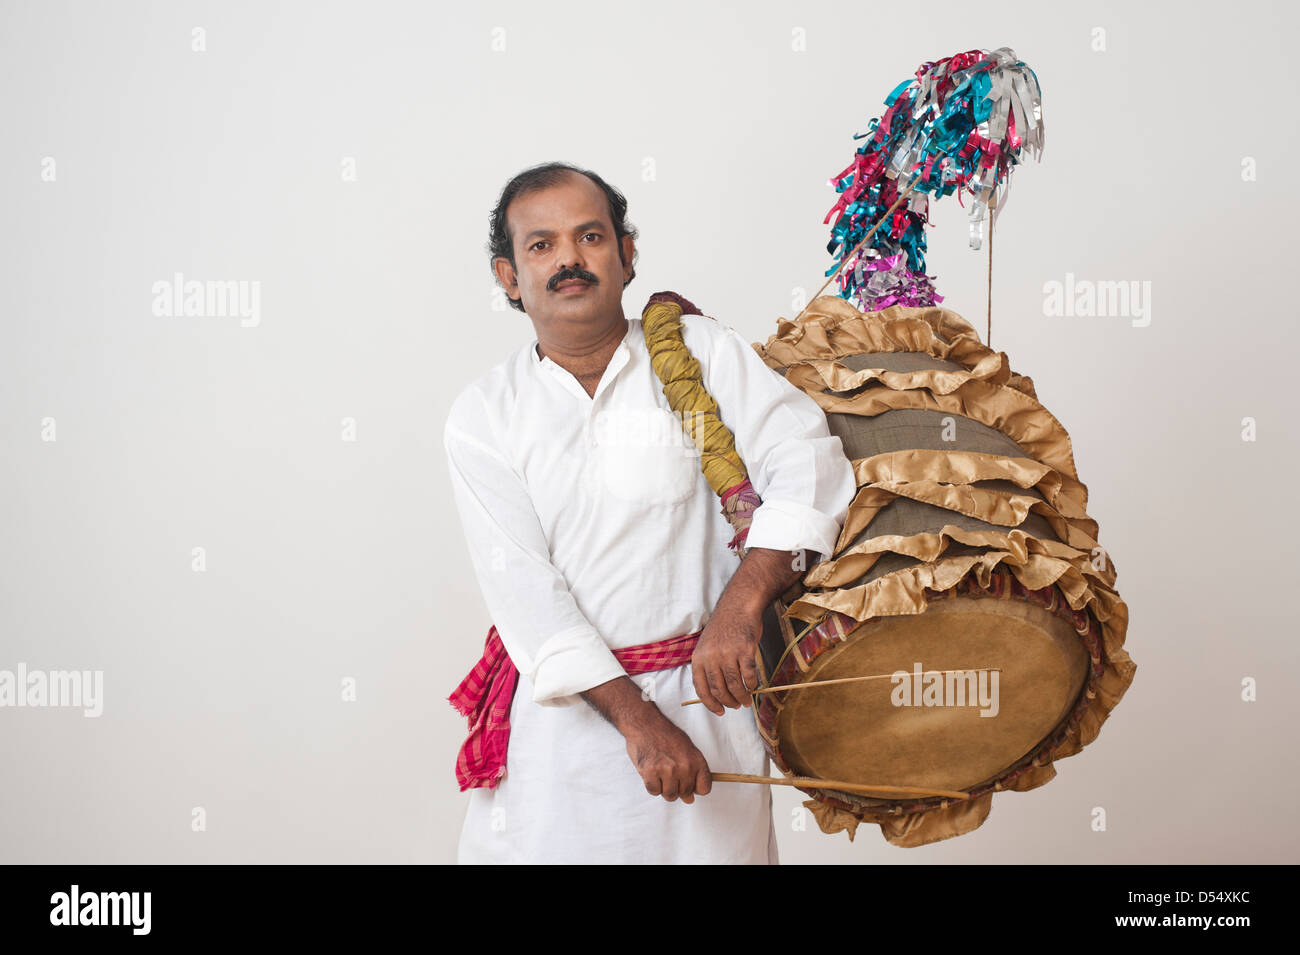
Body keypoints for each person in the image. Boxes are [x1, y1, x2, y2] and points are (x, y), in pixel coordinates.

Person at [443, 161, 856, 864]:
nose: (569, 258)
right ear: (508, 277)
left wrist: (743, 602)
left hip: (711, 707)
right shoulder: (484, 416)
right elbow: (527, 597)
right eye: (540, 245)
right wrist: (637, 721)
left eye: (591, 236)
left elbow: (811, 468)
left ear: (627, 254)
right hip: (565, 736)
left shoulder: (700, 354)